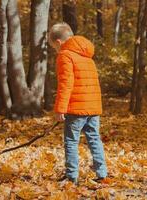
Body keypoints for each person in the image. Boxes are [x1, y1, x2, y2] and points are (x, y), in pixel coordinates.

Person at [48, 22, 108, 185]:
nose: (56, 51)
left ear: (59, 43)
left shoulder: (65, 55)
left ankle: (71, 176)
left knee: (71, 141)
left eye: (54, 47)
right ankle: (102, 174)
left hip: (76, 108)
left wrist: (61, 108)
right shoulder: (87, 57)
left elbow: (65, 84)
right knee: (94, 139)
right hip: (93, 108)